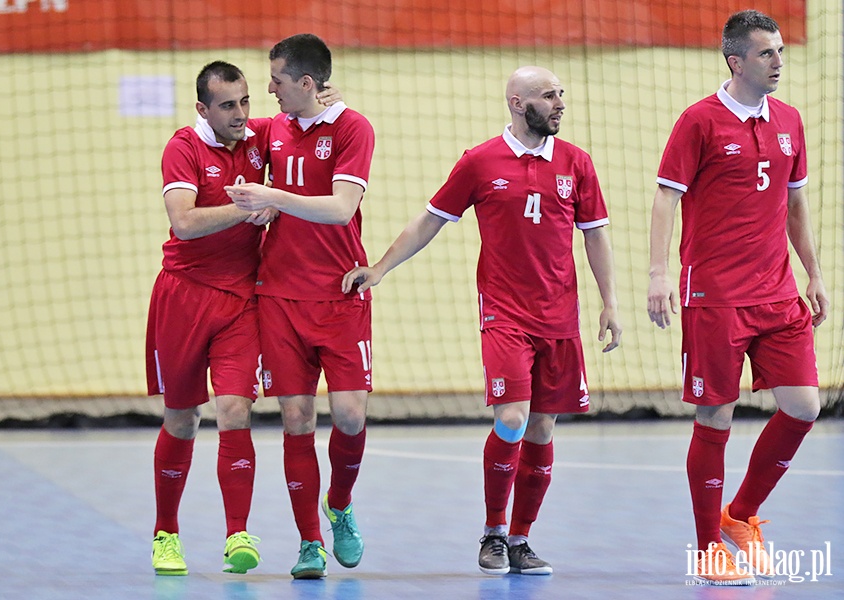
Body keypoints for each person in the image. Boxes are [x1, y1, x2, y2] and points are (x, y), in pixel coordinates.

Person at [342, 66, 622, 576]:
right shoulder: (480, 161)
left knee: (541, 427)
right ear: (517, 103)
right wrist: (379, 268)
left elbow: (595, 234)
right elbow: (431, 219)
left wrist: (610, 302)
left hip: (559, 317)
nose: (559, 103)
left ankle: (521, 540)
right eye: (547, 95)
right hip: (504, 314)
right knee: (512, 418)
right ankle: (492, 532)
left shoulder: (576, 163)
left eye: (561, 94)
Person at [646, 10, 829, 586]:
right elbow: (665, 199)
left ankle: (742, 515)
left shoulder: (791, 121)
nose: (778, 62)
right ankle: (707, 547)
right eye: (766, 53)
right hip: (715, 294)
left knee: (803, 406)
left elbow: (794, 206)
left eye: (779, 51)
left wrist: (814, 273)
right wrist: (657, 274)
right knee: (715, 415)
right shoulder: (699, 121)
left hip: (776, 291)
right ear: (736, 61)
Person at [146, 60, 339, 577]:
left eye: (247, 101)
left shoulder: (260, 136)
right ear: (203, 108)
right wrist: (251, 207)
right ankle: (166, 533)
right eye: (228, 105)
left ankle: (238, 533)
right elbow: (183, 223)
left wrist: (319, 97)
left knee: (235, 410)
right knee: (182, 418)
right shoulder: (183, 147)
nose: (241, 114)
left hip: (241, 303)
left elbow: (305, 115)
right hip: (183, 298)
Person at [224, 33, 375, 579]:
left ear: (307, 83)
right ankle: (309, 542)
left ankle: (339, 503)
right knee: (295, 418)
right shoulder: (270, 130)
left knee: (352, 416)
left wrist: (271, 198)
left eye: (277, 82)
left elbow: (339, 209)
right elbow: (221, 128)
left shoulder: (353, 127)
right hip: (280, 298)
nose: (267, 92)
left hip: (340, 293)